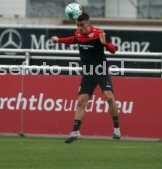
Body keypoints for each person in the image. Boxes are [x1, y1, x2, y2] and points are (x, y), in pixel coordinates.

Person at [52, 12, 121, 144]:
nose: (79, 28)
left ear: (88, 23)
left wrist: (105, 43)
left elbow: (113, 50)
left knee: (109, 97)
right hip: (88, 73)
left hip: (101, 70)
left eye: (81, 25)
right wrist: (58, 40)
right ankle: (75, 132)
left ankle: (117, 129)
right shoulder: (78, 34)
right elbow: (73, 39)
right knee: (81, 101)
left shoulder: (99, 33)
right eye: (77, 25)